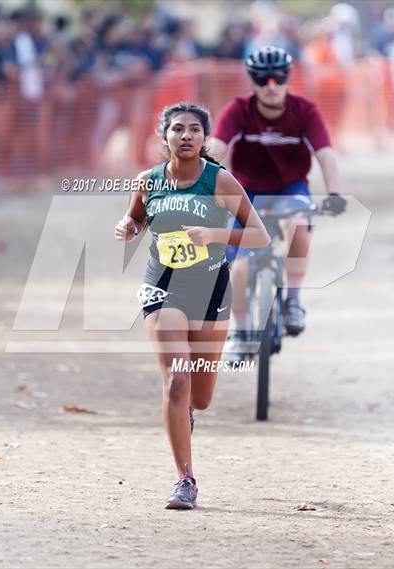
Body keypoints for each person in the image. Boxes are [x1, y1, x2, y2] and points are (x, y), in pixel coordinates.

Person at [115, 102, 269, 509]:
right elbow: (136, 220)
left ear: (204, 138)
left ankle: (187, 415)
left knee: (199, 397)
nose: (186, 136)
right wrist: (127, 227)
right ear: (163, 137)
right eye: (178, 129)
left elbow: (259, 237)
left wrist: (215, 232)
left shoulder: (219, 182)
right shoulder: (148, 181)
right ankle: (185, 479)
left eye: (194, 130)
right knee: (177, 379)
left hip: (210, 291)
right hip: (162, 289)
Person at [208, 45, 346, 358]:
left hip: (289, 188)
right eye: (262, 79)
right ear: (253, 81)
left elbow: (325, 154)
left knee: (298, 224)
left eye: (279, 78)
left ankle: (294, 301)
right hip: (245, 192)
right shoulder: (239, 110)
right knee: (239, 266)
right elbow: (216, 148)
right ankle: (241, 332)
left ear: (287, 79)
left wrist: (335, 194)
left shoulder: (305, 111)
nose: (271, 86)